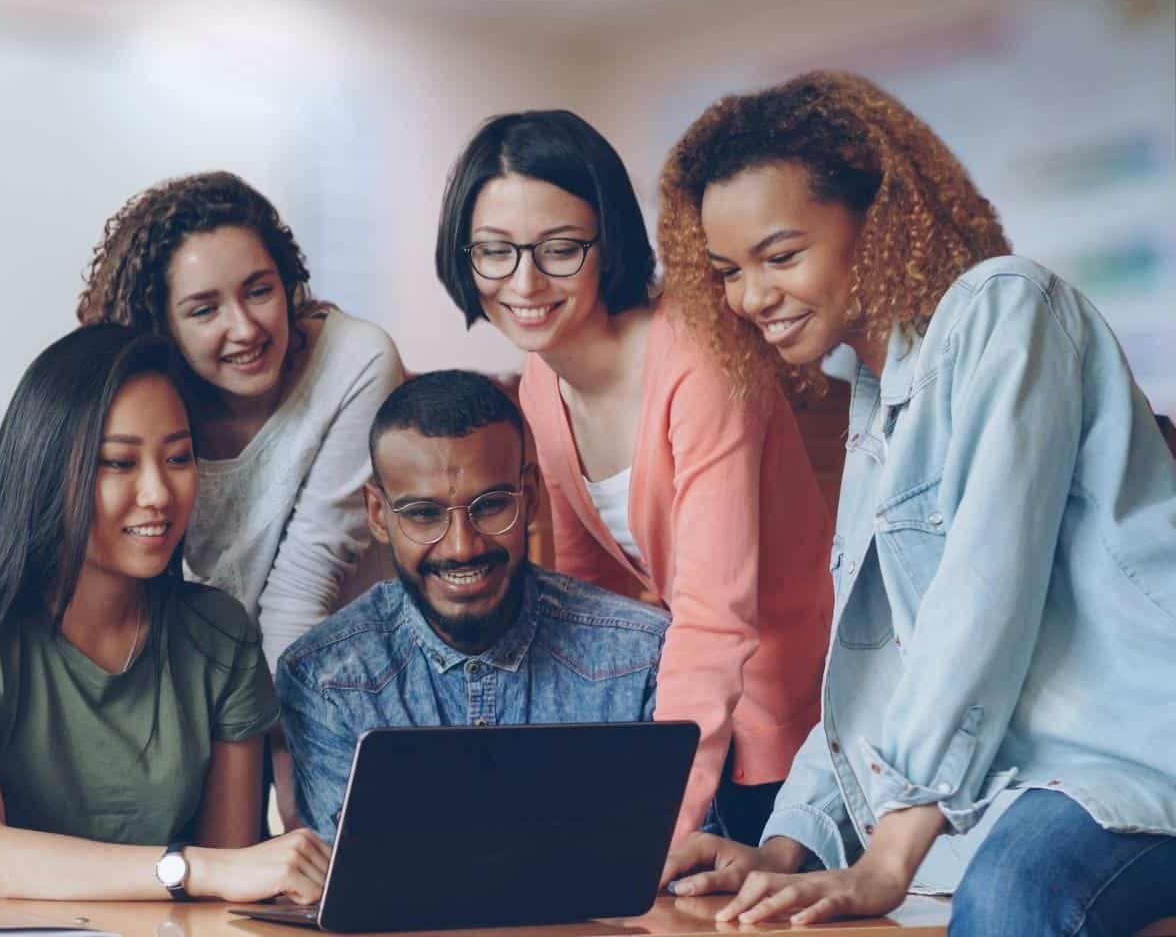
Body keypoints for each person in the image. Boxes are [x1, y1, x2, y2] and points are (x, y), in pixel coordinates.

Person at [655, 70, 1176, 934]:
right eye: (727, 272)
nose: (750, 298)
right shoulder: (875, 394)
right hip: (1017, 786)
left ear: (881, 218)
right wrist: (789, 846)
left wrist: (889, 858)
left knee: (1014, 890)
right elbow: (876, 661)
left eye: (780, 256)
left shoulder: (1006, 307)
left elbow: (982, 598)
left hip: (1134, 761)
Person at [433, 111, 831, 845]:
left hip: (798, 733)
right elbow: (592, 611)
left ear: (607, 242)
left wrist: (650, 823)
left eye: (559, 249)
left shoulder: (699, 361)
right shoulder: (540, 391)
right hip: (696, 724)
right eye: (494, 251)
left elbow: (716, 618)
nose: (523, 281)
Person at [0, 324, 330, 903]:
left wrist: (224, 871)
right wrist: (192, 869)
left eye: (178, 457)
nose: (159, 493)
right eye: (119, 463)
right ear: (44, 469)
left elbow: (227, 890)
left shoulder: (219, 637)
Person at [277, 370, 669, 840]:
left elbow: (683, 874)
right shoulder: (325, 678)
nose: (462, 547)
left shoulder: (645, 655)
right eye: (423, 514)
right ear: (379, 515)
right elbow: (356, 884)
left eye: (490, 505)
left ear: (529, 496)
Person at [77, 171, 407, 668]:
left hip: (336, 680)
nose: (245, 328)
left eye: (258, 292)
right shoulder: (143, 400)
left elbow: (302, 592)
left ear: (287, 280)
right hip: (190, 687)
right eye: (205, 310)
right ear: (161, 322)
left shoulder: (355, 360)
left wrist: (253, 738)